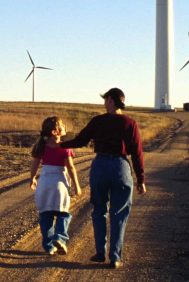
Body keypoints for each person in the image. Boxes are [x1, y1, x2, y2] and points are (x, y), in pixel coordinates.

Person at [60, 88, 145, 268]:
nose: (104, 104)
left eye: (105, 100)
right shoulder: (131, 123)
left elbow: (80, 141)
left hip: (100, 165)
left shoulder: (98, 121)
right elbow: (137, 154)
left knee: (99, 210)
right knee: (119, 213)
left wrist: (59, 145)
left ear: (111, 100)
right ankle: (115, 257)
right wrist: (141, 179)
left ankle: (100, 252)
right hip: (121, 167)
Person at [29, 116, 82, 255]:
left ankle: (48, 246)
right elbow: (70, 167)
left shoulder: (41, 146)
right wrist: (77, 185)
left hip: (45, 183)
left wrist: (32, 178)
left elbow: (35, 164)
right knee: (63, 213)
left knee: (46, 215)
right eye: (61, 126)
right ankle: (59, 237)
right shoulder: (65, 147)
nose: (64, 127)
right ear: (54, 132)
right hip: (59, 183)